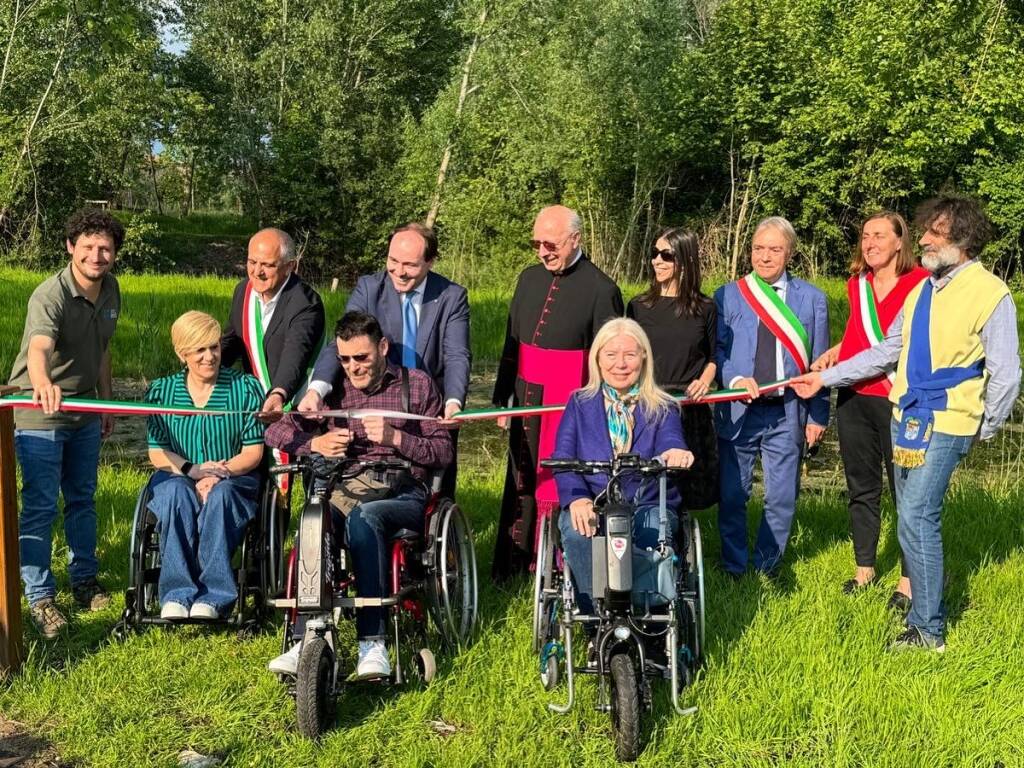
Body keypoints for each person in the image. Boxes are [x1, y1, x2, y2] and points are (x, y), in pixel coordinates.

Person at [792, 196, 1020, 651]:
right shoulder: (923, 291)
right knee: (913, 518)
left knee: (916, 514)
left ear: (964, 238)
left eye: (937, 232)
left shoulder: (991, 292)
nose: (928, 240)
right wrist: (825, 378)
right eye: (927, 231)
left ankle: (928, 629)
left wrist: (985, 426)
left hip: (950, 419)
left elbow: (1008, 372)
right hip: (907, 414)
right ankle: (925, 614)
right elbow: (884, 352)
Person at [265, 311, 453, 678]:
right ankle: (305, 635)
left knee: (366, 518)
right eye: (346, 359)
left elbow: (444, 452)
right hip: (346, 485)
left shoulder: (416, 386)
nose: (353, 367)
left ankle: (373, 641)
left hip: (404, 492)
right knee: (313, 518)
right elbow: (276, 432)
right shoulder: (329, 389)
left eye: (362, 358)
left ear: (382, 347)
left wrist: (396, 438)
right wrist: (315, 442)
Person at [491, 205, 624, 581]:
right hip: (527, 395)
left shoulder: (602, 289)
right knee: (521, 479)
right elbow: (511, 341)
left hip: (571, 402)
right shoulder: (528, 278)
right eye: (536, 244)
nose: (542, 251)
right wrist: (503, 398)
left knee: (562, 478)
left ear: (575, 239)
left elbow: (610, 360)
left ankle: (558, 569)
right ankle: (515, 564)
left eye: (550, 244)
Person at [8, 208, 124, 638]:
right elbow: (39, 348)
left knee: (83, 498)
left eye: (105, 248)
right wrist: (43, 384)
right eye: (88, 246)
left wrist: (107, 403)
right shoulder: (49, 294)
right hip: (40, 411)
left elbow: (103, 350)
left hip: (85, 411)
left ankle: (85, 581)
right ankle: (40, 596)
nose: (97, 255)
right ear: (71, 247)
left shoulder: (111, 290)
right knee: (40, 503)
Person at [299, 222, 469, 497]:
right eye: (393, 261)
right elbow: (343, 340)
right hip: (379, 398)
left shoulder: (452, 296)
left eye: (410, 265)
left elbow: (456, 354)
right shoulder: (369, 288)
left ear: (430, 261)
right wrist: (316, 390)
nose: (399, 272)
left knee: (436, 480)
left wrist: (453, 402)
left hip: (428, 408)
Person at [811, 212, 928, 603]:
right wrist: (836, 352)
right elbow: (859, 336)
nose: (870, 243)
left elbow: (894, 345)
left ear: (900, 242)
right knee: (861, 487)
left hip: (898, 398)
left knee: (906, 492)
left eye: (879, 235)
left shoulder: (921, 284)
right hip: (853, 398)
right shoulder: (856, 284)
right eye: (865, 236)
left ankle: (909, 581)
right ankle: (864, 570)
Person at [552, 318, 694, 616]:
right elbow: (563, 458)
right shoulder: (579, 403)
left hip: (648, 501)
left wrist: (675, 452)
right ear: (598, 359)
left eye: (629, 355)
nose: (620, 364)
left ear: (644, 357)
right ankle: (595, 618)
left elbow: (671, 439)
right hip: (594, 501)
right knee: (578, 534)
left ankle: (649, 619)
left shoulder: (663, 405)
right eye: (611, 355)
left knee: (653, 532)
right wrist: (577, 498)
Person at [715, 216, 830, 577]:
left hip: (787, 410)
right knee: (733, 495)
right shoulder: (728, 294)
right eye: (758, 248)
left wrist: (818, 416)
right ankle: (734, 566)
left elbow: (820, 365)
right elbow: (716, 352)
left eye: (774, 249)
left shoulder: (812, 299)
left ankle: (768, 565)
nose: (764, 257)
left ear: (790, 253)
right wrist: (733, 377)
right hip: (739, 410)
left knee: (781, 497)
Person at [144, 311, 266, 620]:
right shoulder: (162, 393)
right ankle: (176, 593)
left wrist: (217, 473)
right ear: (181, 353)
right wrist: (192, 470)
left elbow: (253, 451)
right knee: (174, 495)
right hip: (179, 473)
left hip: (233, 475)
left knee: (222, 496)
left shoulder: (244, 388)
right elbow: (158, 452)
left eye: (214, 347)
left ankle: (215, 596)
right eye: (199, 350)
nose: (209, 356)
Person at [627, 228, 718, 510]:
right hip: (646, 406)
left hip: (689, 406)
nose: (657, 261)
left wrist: (705, 380)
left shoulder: (706, 307)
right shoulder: (638, 307)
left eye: (666, 255)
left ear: (686, 260)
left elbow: (715, 356)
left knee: (685, 489)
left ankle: (679, 546)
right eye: (654, 254)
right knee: (645, 485)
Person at [221, 227, 325, 418]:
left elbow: (295, 355)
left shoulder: (305, 304)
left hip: (295, 407)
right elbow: (233, 340)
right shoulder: (243, 291)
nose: (257, 272)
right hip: (254, 404)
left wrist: (279, 393)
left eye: (267, 265)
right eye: (252, 262)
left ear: (289, 266)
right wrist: (201, 364)